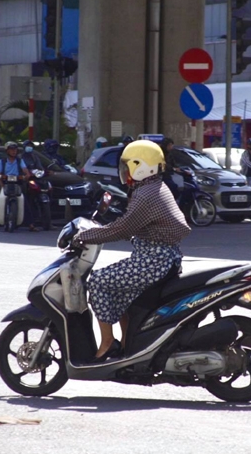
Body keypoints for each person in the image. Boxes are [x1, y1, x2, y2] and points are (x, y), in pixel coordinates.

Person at [74, 140, 191, 359]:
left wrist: (84, 236)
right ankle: (128, 345)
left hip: (152, 262)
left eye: (128, 166)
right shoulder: (155, 186)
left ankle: (108, 343)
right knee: (121, 290)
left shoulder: (146, 194)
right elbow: (133, 224)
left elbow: (123, 228)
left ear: (142, 166)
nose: (125, 172)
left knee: (98, 281)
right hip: (163, 258)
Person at [0, 141, 34, 230]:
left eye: (15, 150)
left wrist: (26, 175)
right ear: (7, 151)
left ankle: (31, 224)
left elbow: (25, 171)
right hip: (5, 184)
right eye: (11, 150)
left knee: (25, 201)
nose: (14, 151)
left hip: (17, 183)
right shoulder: (2, 161)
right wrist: (1, 185)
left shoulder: (20, 161)